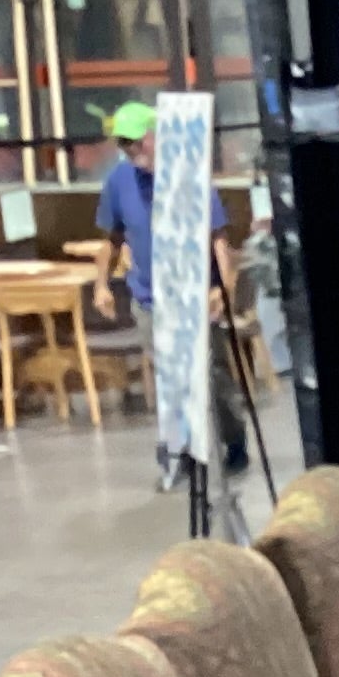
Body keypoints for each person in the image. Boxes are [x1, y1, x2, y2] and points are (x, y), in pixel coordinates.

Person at [90, 99, 249, 488]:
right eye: (123, 145)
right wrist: (101, 284)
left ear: (155, 136)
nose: (131, 151)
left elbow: (218, 239)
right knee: (171, 377)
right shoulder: (119, 181)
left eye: (137, 142)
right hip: (149, 296)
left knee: (210, 374)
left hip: (194, 296)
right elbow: (111, 239)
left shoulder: (187, 175)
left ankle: (233, 439)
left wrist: (221, 286)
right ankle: (181, 451)